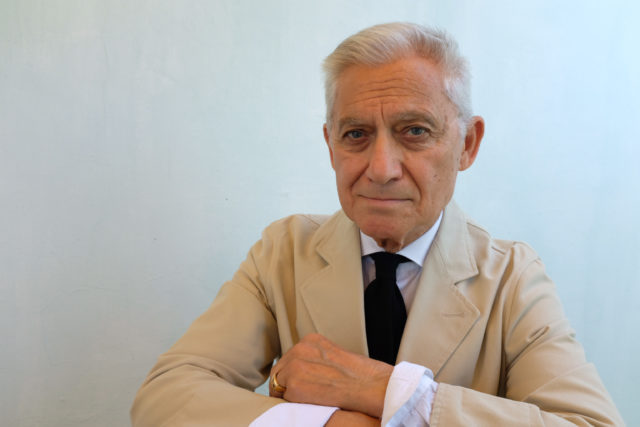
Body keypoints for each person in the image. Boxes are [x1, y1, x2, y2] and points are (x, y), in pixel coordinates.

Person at [131, 23, 623, 426]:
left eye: (415, 131)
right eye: (356, 134)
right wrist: (330, 425)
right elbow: (166, 397)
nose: (382, 168)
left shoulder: (512, 277)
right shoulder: (283, 252)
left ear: (467, 145)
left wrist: (385, 390)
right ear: (330, 146)